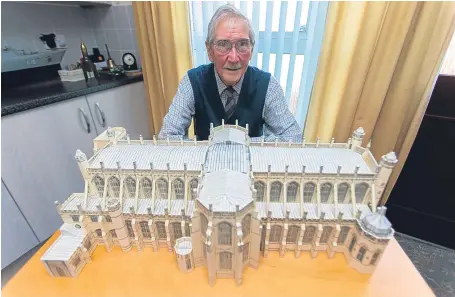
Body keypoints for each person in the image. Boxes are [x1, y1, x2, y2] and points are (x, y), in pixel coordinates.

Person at [159, 4, 302, 142]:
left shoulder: (267, 84)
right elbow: (167, 137)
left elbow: (293, 137)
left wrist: (245, 144)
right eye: (222, 45)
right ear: (209, 51)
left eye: (242, 44)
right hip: (207, 164)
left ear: (251, 49)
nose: (234, 58)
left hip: (251, 163)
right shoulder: (192, 81)